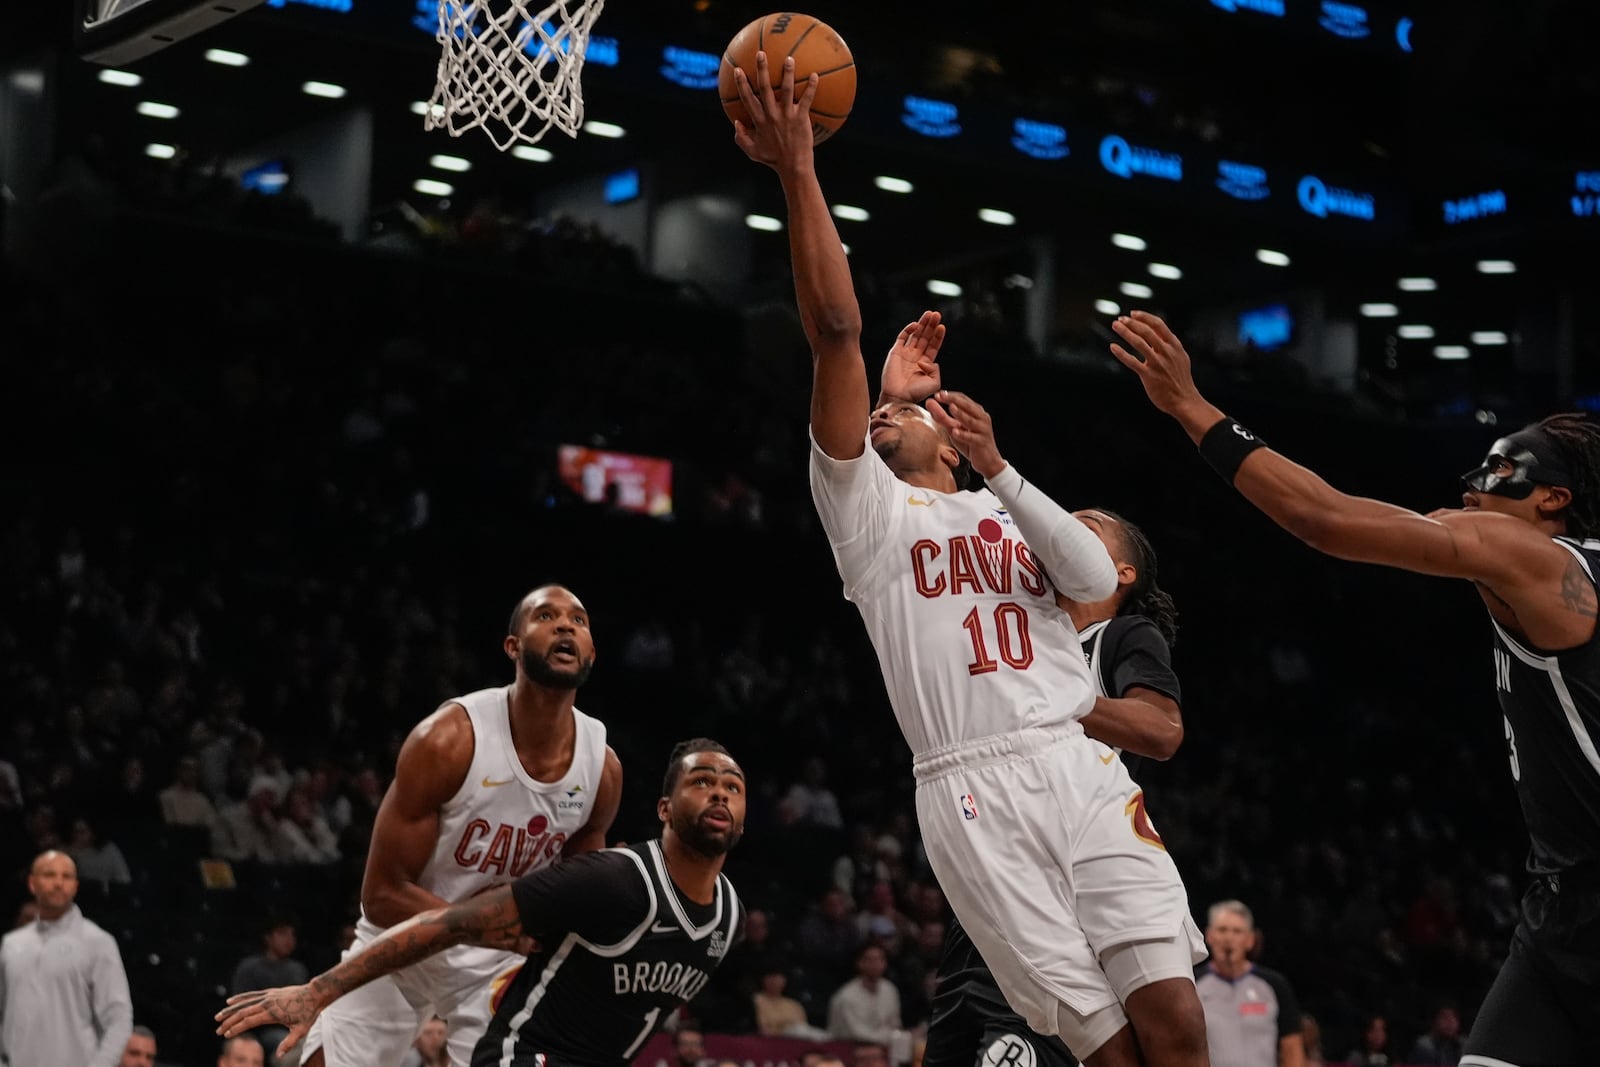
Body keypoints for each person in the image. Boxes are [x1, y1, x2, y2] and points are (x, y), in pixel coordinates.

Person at [730, 52, 1207, 1067]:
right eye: (878, 408)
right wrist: (797, 169)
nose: (883, 410)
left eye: (905, 406)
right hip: (967, 791)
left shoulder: (1015, 510)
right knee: (1108, 1049)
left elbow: (1091, 578)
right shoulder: (868, 516)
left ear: (952, 439)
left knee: (1175, 1019)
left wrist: (994, 463)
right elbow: (834, 329)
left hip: (1075, 769)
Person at [1109, 309, 1600, 1067]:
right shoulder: (1549, 572)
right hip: (1558, 908)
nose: (1471, 485)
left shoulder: (1535, 558)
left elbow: (1323, 517)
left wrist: (1189, 405)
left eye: (1500, 470)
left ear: (1554, 499)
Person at [217, 739, 746, 1067]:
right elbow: (450, 923)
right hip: (527, 1056)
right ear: (664, 807)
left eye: (732, 786)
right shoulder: (612, 881)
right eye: (702, 782)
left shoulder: (730, 920)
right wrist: (317, 991)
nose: (719, 794)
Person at [298, 585, 624, 1067]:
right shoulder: (448, 740)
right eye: (546, 616)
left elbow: (577, 897)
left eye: (578, 620)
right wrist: (487, 926)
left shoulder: (601, 769)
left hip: (500, 963)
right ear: (513, 646)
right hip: (406, 936)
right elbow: (383, 894)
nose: (564, 626)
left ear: (591, 652)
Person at [918, 497, 1186, 1067]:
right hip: (992, 867)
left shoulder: (1122, 635)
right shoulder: (1011, 627)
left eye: (1086, 526)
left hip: (1073, 879)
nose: (1064, 529)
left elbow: (1162, 730)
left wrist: (1055, 700)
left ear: (1122, 572)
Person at [0, 850, 133, 1067]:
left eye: (67, 876)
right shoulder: (12, 944)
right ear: (32, 883)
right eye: (49, 875)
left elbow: (118, 1017)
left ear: (76, 886)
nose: (59, 883)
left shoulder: (98, 943)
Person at [1193, 901, 1302, 1067]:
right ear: (1209, 936)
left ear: (1250, 940)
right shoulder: (1193, 985)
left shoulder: (1275, 986)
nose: (1229, 938)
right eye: (1222, 930)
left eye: (1237, 931)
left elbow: (1292, 1049)